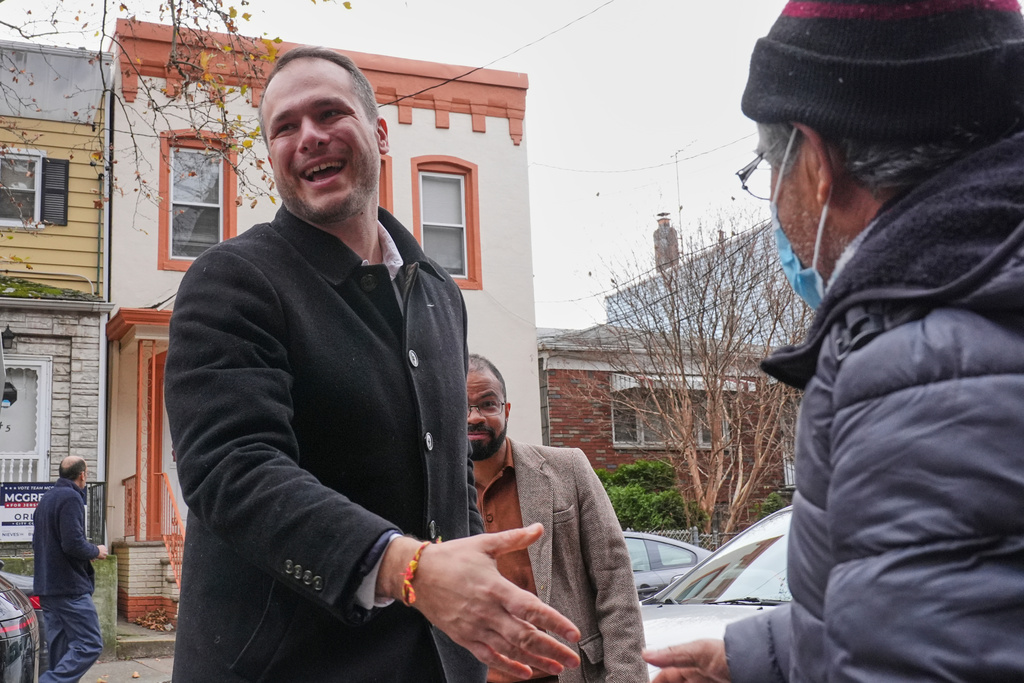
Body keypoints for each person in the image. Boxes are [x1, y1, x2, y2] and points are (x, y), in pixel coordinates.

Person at [163, 47, 580, 682]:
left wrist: (476, 599)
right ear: (271, 154)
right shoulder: (231, 280)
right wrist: (406, 568)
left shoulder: (437, 291)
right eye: (284, 126)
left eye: (330, 112)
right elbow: (232, 469)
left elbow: (450, 473)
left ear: (379, 133)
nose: (309, 137)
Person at [643, 1, 1024, 681]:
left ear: (816, 163)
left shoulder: (917, 368)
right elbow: (937, 601)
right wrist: (753, 654)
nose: (774, 200)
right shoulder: (978, 298)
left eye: (767, 167)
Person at [466, 355, 646, 683]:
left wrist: (626, 677)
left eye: (487, 404)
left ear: (505, 411)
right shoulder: (434, 496)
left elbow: (614, 579)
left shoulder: (567, 469)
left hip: (565, 673)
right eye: (461, 406)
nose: (474, 417)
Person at [33, 456, 107, 683]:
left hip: (47, 587)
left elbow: (41, 542)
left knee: (60, 651)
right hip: (70, 589)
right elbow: (73, 543)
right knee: (90, 644)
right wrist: (96, 551)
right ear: (82, 474)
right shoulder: (71, 498)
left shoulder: (46, 499)